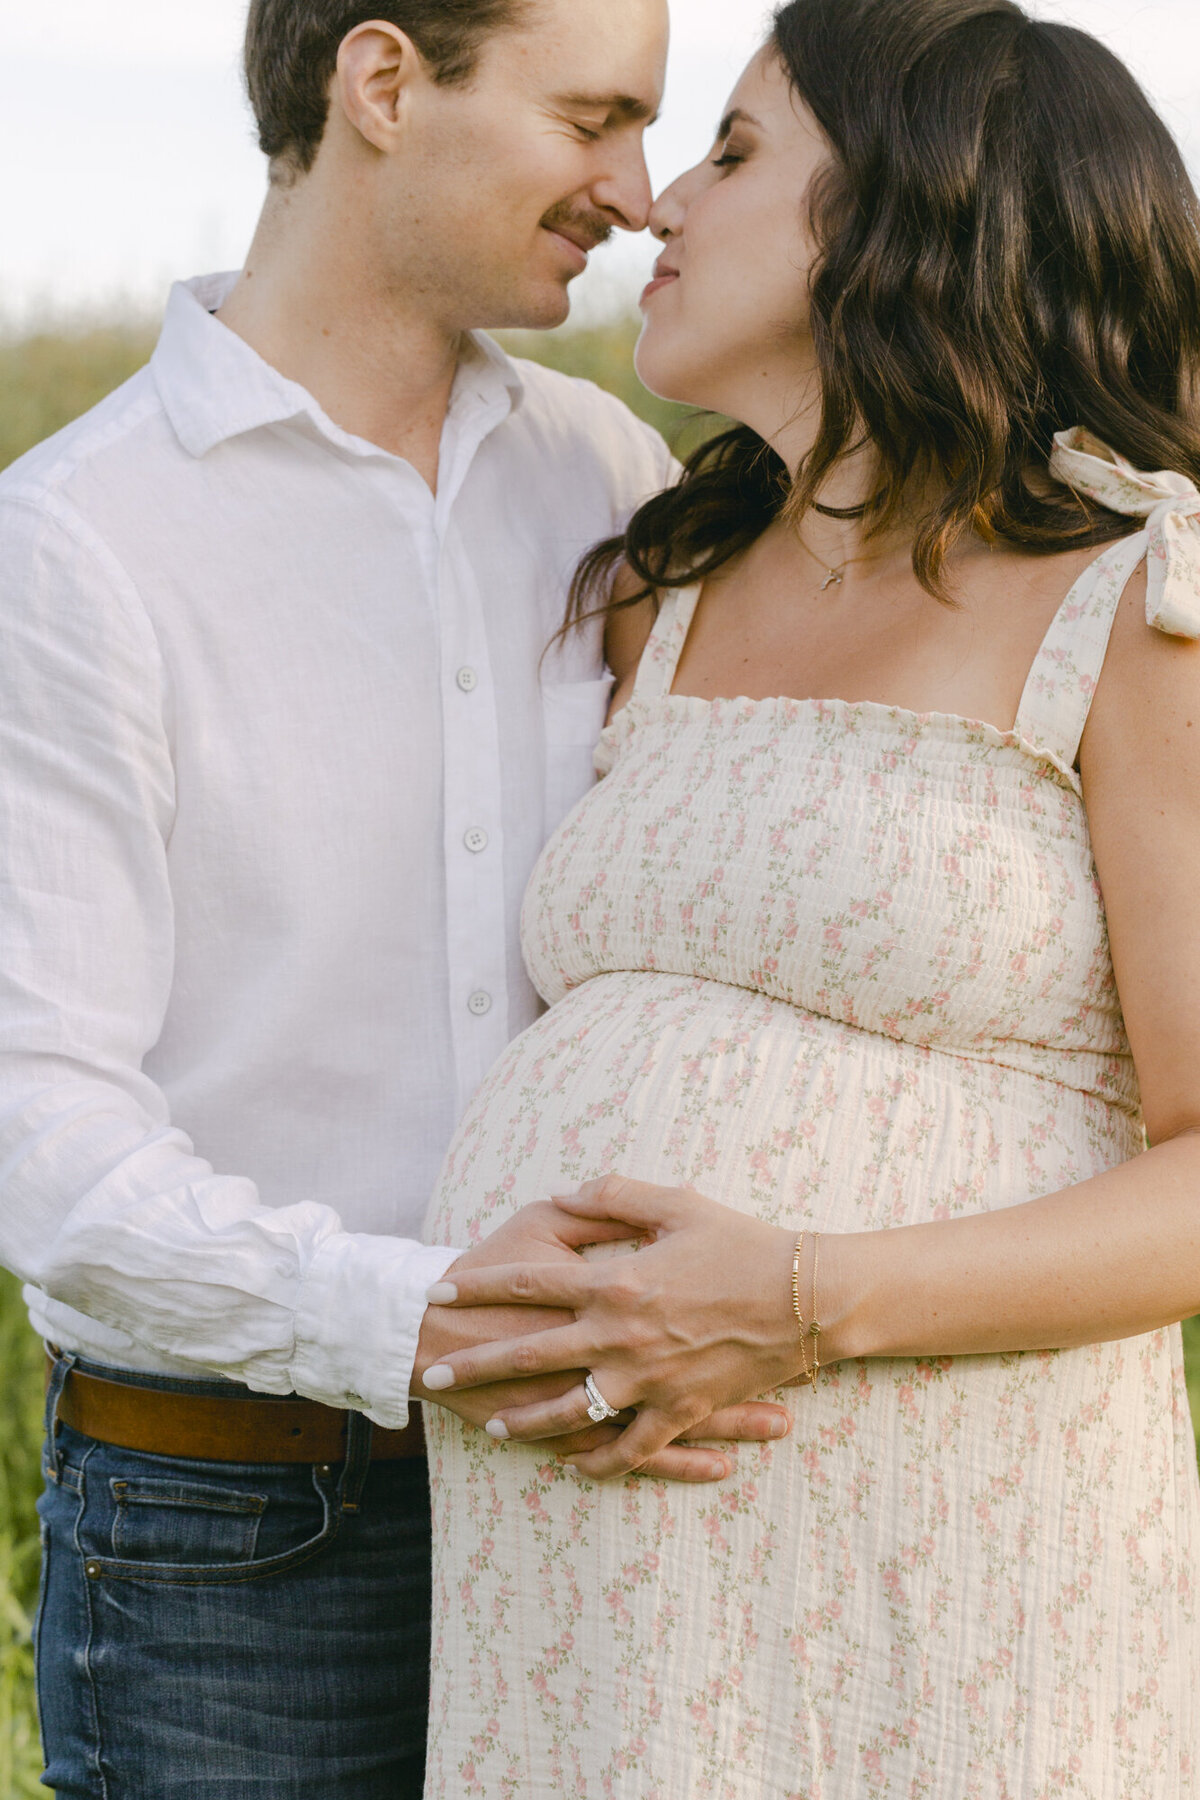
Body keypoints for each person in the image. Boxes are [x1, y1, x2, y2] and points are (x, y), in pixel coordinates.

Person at [0, 2, 791, 1794]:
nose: (638, 191)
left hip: (602, 1501)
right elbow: (35, 1131)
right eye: (593, 118)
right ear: (381, 84)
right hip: (235, 1539)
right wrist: (421, 1316)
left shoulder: (615, 479)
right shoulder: (73, 548)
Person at [419, 0, 1200, 1789]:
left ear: (914, 210)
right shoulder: (654, 590)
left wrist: (800, 1291)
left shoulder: (1144, 600)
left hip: (956, 1561)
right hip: (587, 1598)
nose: (657, 201)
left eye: (741, 150)